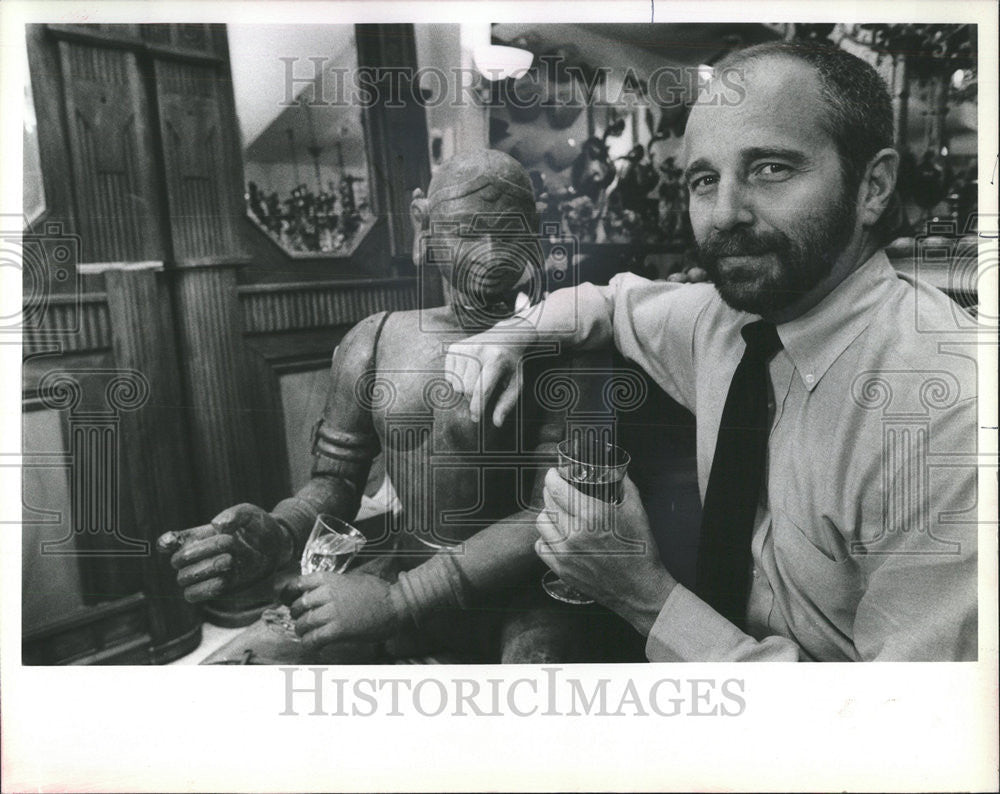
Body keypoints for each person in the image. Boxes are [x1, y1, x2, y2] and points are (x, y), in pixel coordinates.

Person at [446, 42, 978, 662]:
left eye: (771, 169)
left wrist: (643, 595)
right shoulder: (730, 322)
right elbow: (609, 302)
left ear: (874, 186)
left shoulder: (951, 411)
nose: (725, 214)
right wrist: (511, 335)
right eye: (704, 180)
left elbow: (899, 735)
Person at [157, 149, 644, 664]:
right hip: (403, 575)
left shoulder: (566, 348)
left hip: (523, 599)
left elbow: (555, 513)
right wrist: (280, 533)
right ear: (423, 226)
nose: (489, 252)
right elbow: (337, 483)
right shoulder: (376, 339)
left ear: (535, 236)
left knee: (529, 703)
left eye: (510, 231)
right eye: (465, 230)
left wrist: (403, 599)